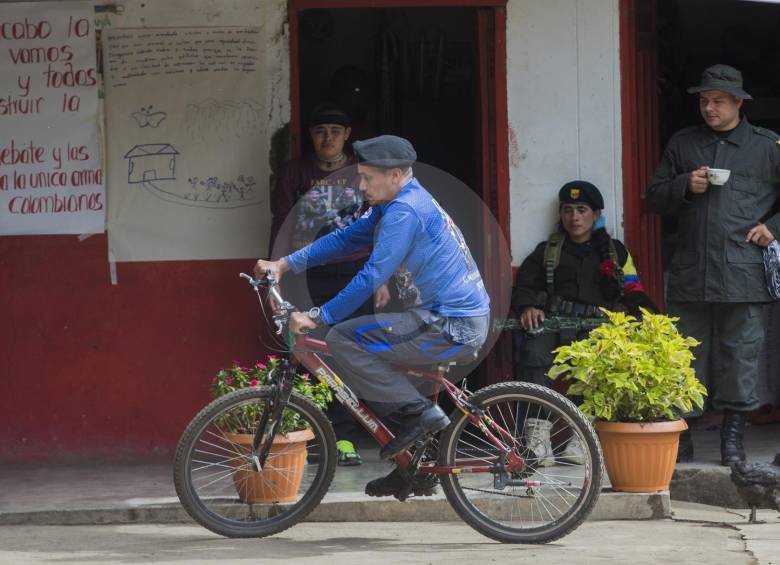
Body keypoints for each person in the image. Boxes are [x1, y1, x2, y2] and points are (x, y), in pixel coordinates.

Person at [256, 135, 490, 497]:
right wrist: (284, 264)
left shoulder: (404, 211)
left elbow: (372, 275)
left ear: (395, 175)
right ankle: (410, 462)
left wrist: (319, 316)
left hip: (450, 325)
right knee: (372, 354)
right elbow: (346, 238)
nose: (361, 186)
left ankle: (418, 415)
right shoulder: (396, 201)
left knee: (343, 339)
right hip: (439, 319)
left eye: (367, 178)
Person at [645, 64, 780, 465]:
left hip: (743, 272)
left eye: (718, 101)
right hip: (691, 271)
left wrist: (774, 227)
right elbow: (653, 198)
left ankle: (732, 441)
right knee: (685, 356)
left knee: (741, 355)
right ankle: (682, 438)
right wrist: (683, 185)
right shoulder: (684, 144)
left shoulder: (767, 146)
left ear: (738, 102)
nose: (709, 108)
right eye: (704, 100)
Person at [269, 104, 382, 467]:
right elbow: (282, 224)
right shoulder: (296, 173)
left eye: (336, 129)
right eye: (321, 131)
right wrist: (278, 272)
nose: (328, 137)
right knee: (308, 353)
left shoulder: (362, 173)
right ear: (311, 136)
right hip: (308, 274)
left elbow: (382, 225)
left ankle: (347, 434)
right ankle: (318, 434)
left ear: (348, 135)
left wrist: (384, 279)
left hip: (356, 272)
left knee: (348, 351)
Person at [512, 180, 657, 464]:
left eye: (581, 210)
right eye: (568, 210)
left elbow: (633, 290)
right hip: (555, 324)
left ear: (596, 214)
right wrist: (528, 306)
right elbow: (525, 284)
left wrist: (637, 322)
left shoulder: (615, 252)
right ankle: (538, 439)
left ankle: (583, 437)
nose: (574, 217)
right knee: (534, 354)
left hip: (597, 326)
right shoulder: (548, 250)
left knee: (598, 366)